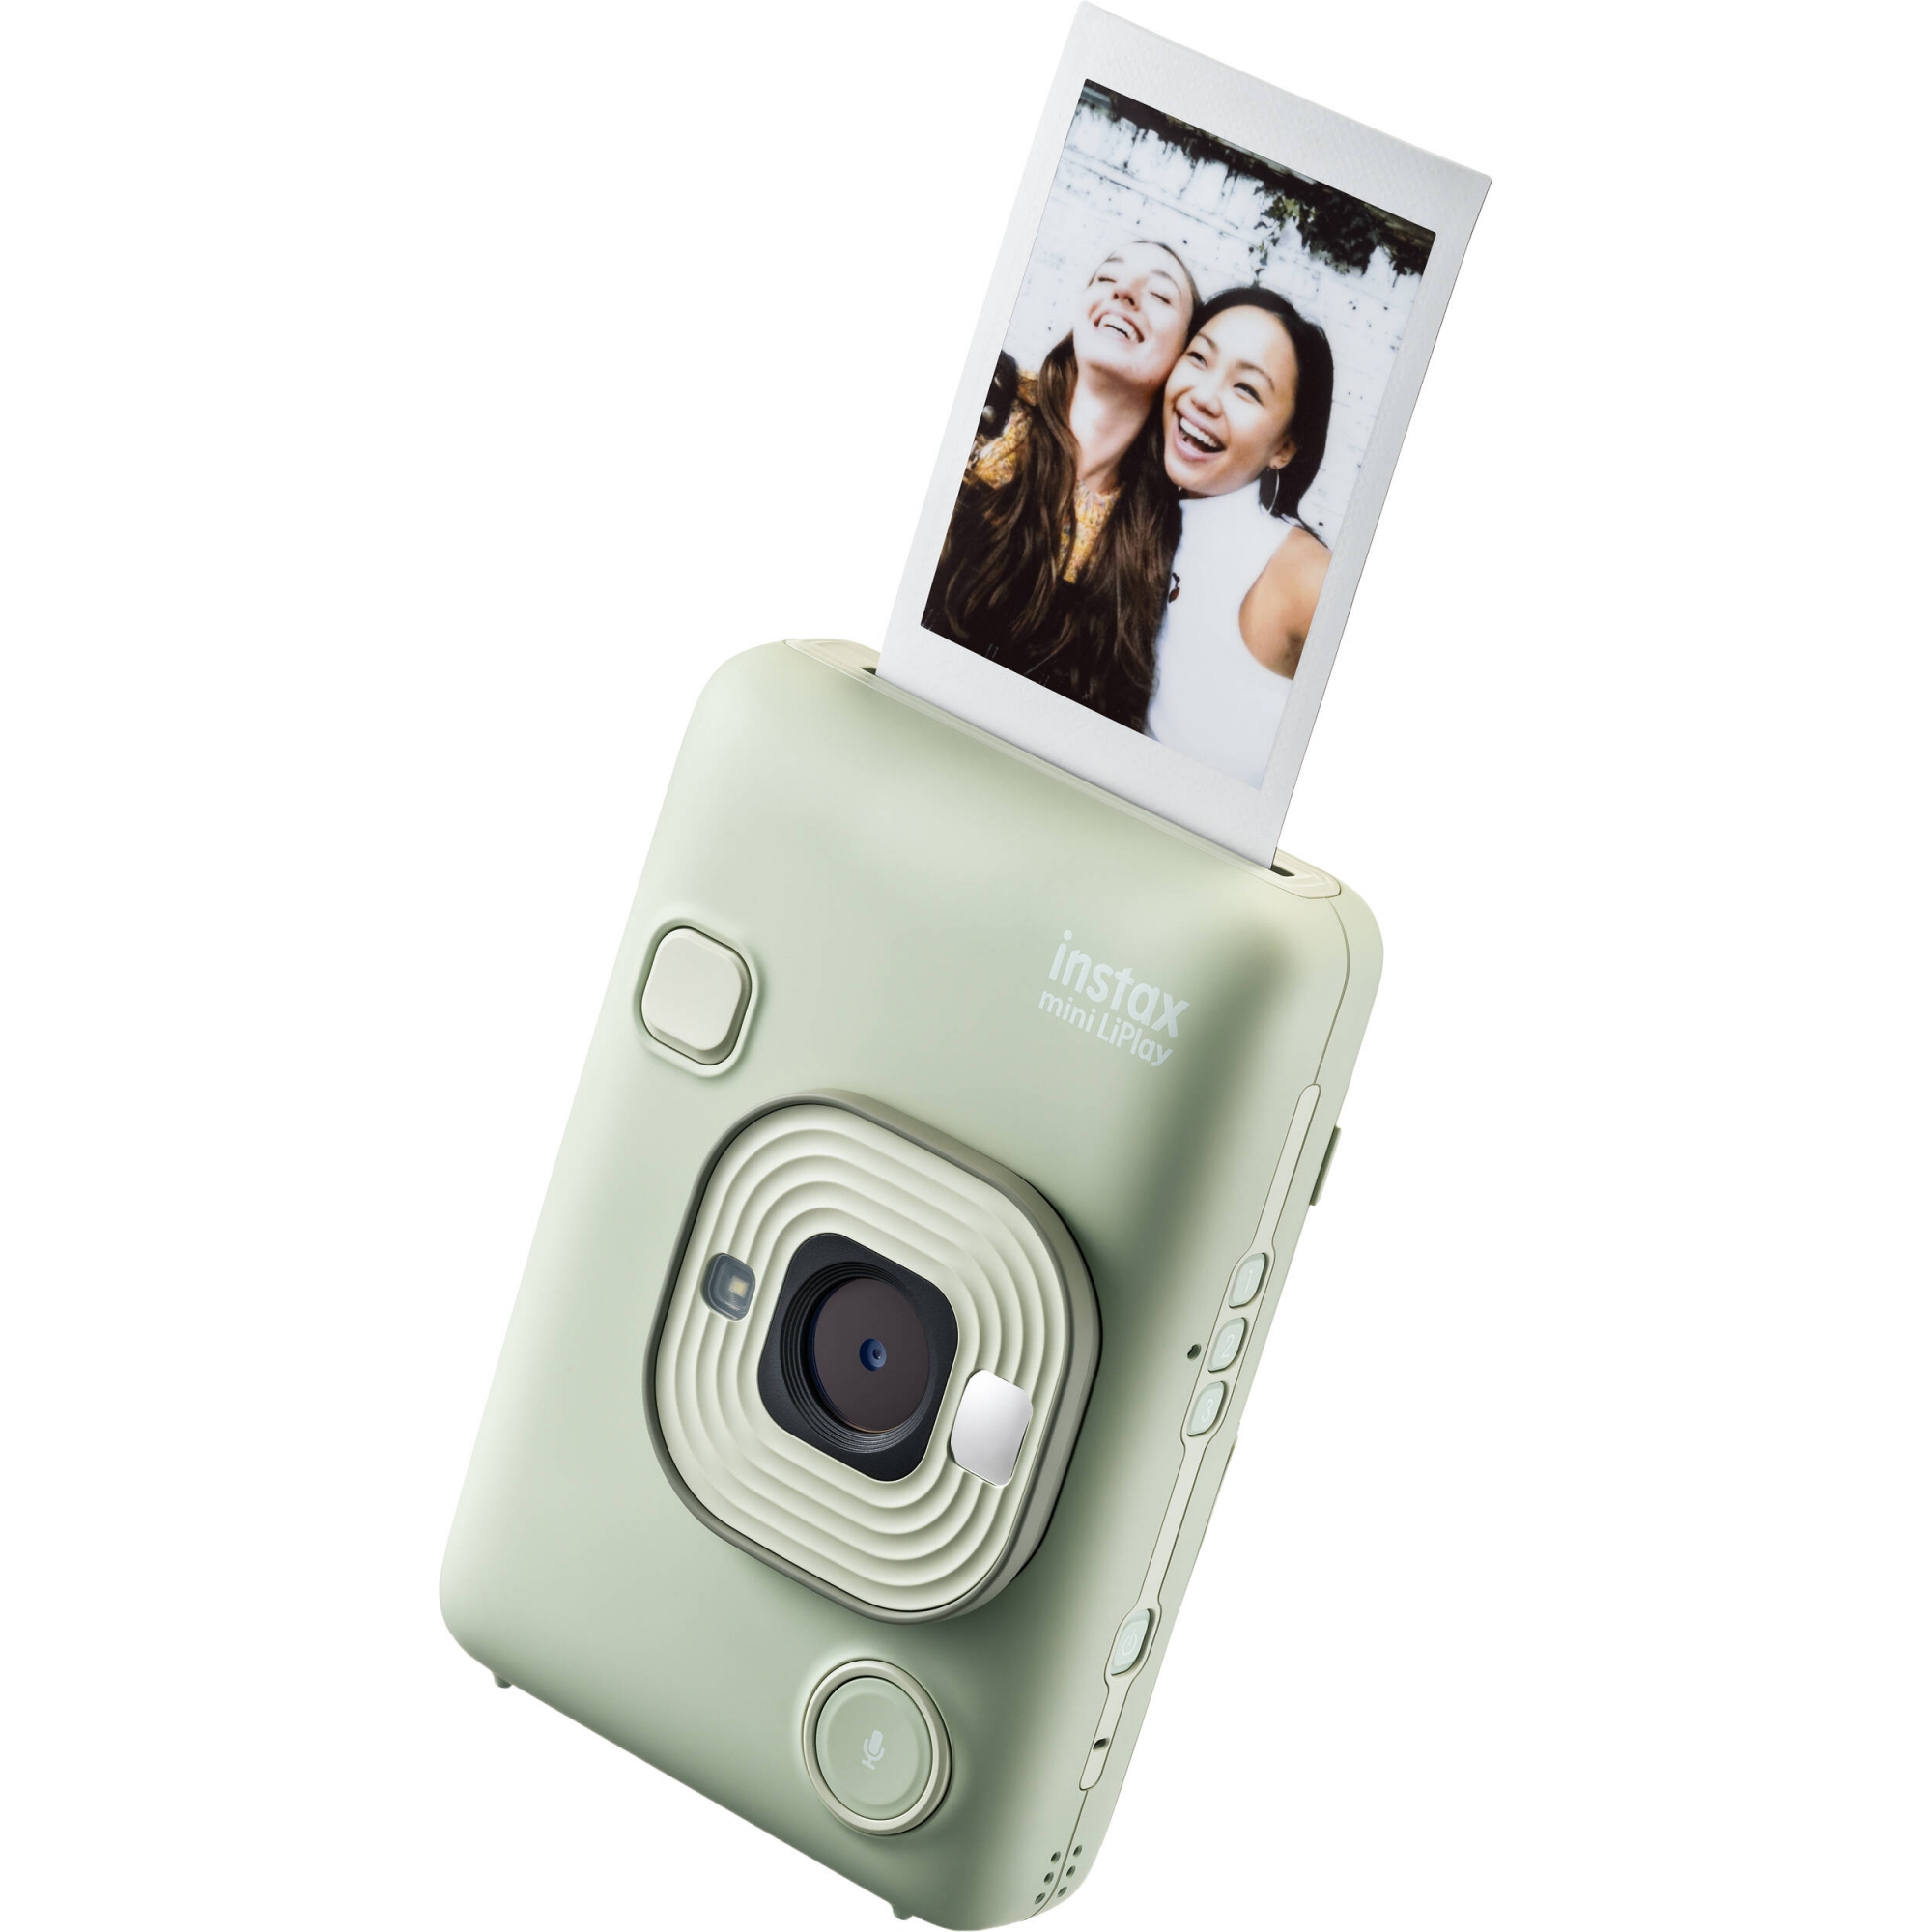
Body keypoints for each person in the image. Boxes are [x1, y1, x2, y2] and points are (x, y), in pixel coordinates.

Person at [923, 239, 1200, 729]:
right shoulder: (983, 402)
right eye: (1107, 278)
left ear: (1185, 358)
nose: (1123, 293)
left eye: (1159, 295)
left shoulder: (1169, 539)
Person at [1145, 288, 1335, 785]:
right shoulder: (1129, 512)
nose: (1204, 397)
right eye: (1198, 358)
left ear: (1285, 446)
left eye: (1246, 389)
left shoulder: (1306, 580)